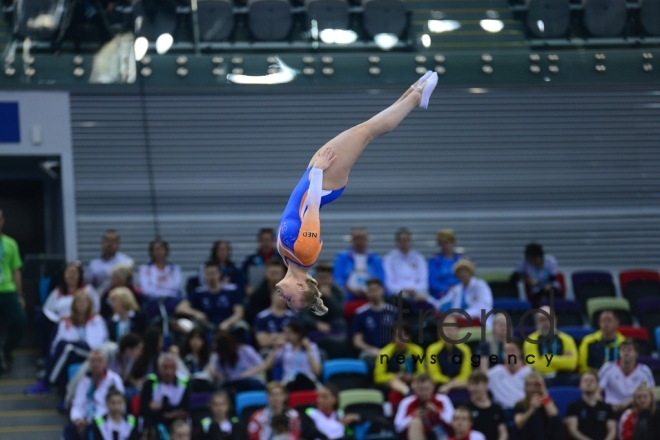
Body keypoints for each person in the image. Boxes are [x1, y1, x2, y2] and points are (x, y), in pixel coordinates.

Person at [274, 72, 439, 315]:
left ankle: (414, 91)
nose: (283, 299)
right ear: (300, 285)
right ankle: (415, 98)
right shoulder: (305, 254)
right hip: (323, 183)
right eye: (291, 300)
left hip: (316, 178)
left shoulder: (290, 260)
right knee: (367, 131)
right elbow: (311, 205)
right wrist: (318, 171)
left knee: (366, 129)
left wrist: (314, 171)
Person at [27, 290, 109, 395]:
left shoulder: (97, 320)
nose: (82, 304)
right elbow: (57, 342)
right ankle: (64, 395)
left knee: (67, 347)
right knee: (66, 352)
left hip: (93, 351)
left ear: (89, 304)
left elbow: (102, 340)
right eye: (79, 302)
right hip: (71, 351)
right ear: (74, 304)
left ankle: (47, 382)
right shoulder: (66, 322)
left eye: (84, 302)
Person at [38, 261, 98, 360]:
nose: (71, 276)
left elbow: (95, 309)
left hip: (84, 321)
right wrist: (60, 318)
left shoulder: (88, 290)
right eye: (69, 273)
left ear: (80, 275)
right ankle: (47, 358)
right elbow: (47, 311)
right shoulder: (57, 292)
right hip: (61, 322)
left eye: (74, 273)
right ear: (64, 275)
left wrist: (77, 317)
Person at [64, 350, 125, 440]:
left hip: (105, 419)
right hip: (84, 418)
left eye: (99, 361)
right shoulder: (84, 380)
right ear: (89, 364)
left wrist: (92, 421)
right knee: (70, 429)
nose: (96, 364)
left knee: (91, 429)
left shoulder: (114, 380)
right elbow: (77, 404)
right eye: (93, 361)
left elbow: (120, 404)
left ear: (105, 363)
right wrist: (78, 419)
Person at [175, 262, 245, 332]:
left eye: (213, 273)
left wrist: (228, 323)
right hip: (206, 325)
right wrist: (196, 313)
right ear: (204, 276)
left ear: (219, 274)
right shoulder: (199, 292)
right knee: (185, 324)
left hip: (228, 323)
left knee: (241, 325)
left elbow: (239, 313)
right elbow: (180, 308)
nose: (211, 277)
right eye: (208, 274)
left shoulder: (232, 290)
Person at [259, 321, 322, 391]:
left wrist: (308, 349)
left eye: (289, 333)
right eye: (285, 333)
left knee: (301, 379)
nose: (286, 335)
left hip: (308, 379)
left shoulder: (312, 347)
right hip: (289, 380)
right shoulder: (284, 347)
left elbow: (317, 371)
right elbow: (267, 365)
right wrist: (275, 348)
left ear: (298, 334)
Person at [374, 323, 426, 408]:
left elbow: (422, 372)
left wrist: (412, 377)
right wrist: (395, 376)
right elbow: (378, 376)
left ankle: (418, 402)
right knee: (393, 381)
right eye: (397, 336)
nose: (400, 339)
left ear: (409, 337)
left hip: (412, 381)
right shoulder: (385, 353)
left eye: (403, 336)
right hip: (394, 384)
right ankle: (407, 392)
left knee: (418, 382)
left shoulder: (417, 351)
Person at [0, 209, 27, 373]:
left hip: (8, 290)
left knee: (20, 322)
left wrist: (20, 295)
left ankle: (6, 351)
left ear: (3, 221)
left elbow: (16, 270)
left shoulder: (10, 243)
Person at [523, 305, 578, 384]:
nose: (546, 323)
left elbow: (571, 364)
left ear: (555, 320)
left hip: (563, 377)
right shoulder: (530, 340)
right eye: (542, 320)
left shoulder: (567, 339)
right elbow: (534, 366)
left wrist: (546, 359)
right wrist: (561, 361)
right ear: (537, 323)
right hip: (541, 378)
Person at [598, 338, 655, 412]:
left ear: (636, 353)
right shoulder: (608, 367)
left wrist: (631, 401)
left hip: (635, 408)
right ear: (619, 352)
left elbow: (652, 394)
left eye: (629, 350)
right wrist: (606, 406)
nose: (626, 353)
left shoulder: (644, 370)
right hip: (610, 408)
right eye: (623, 350)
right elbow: (596, 392)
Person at [394, 373, 455, 440]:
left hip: (442, 434)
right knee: (415, 422)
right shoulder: (406, 402)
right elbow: (397, 427)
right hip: (418, 434)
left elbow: (453, 422)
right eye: (421, 390)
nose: (424, 393)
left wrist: (437, 412)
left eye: (427, 389)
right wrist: (412, 416)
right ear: (415, 389)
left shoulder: (443, 399)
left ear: (433, 387)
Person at [140, 353, 191, 433]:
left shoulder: (184, 383)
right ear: (159, 368)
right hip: (154, 421)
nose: (168, 372)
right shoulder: (150, 382)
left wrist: (161, 406)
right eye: (165, 367)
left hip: (176, 422)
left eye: (172, 368)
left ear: (176, 368)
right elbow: (145, 408)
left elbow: (184, 409)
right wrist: (168, 413)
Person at [433, 260, 493, 326]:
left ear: (470, 272)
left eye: (465, 271)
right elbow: (442, 302)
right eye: (460, 272)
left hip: (479, 320)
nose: (463, 274)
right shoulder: (457, 289)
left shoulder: (480, 285)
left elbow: (485, 307)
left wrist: (463, 315)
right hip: (461, 322)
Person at [351, 278, 397, 365]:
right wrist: (372, 350)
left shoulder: (394, 311)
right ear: (367, 292)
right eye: (371, 290)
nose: (374, 293)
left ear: (382, 290)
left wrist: (387, 351)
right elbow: (357, 341)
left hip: (391, 350)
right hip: (370, 351)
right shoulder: (360, 313)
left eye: (376, 290)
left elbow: (399, 336)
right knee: (366, 357)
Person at [333, 227, 385, 301]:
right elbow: (337, 279)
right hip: (348, 298)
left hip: (371, 297)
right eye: (356, 238)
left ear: (367, 240)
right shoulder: (342, 258)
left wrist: (370, 291)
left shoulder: (375, 259)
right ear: (352, 240)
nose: (359, 241)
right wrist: (350, 289)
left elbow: (380, 280)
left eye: (362, 238)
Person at [426, 314, 472, 393]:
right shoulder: (432, 350)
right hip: (439, 386)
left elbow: (466, 374)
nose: (450, 332)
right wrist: (447, 381)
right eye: (447, 329)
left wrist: (450, 385)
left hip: (460, 385)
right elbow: (434, 374)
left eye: (452, 329)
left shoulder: (465, 349)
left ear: (456, 330)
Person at [565, 370, 616, 440]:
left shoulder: (606, 408)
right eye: (585, 381)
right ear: (580, 385)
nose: (588, 383)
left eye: (592, 381)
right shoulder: (574, 406)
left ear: (598, 385)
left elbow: (612, 430)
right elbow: (573, 430)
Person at [138, 239, 183, 317]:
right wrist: (164, 291)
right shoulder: (144, 269)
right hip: (153, 301)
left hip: (173, 300)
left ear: (166, 251)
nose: (158, 252)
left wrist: (158, 288)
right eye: (155, 249)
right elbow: (146, 290)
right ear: (151, 252)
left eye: (160, 249)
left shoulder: (175, 269)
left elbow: (176, 287)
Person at [512, 372, 564, 440]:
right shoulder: (520, 404)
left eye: (536, 385)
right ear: (525, 388)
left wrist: (544, 393)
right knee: (535, 417)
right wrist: (532, 409)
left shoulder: (548, 402)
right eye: (529, 385)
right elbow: (519, 424)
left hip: (547, 435)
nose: (532, 389)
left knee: (556, 419)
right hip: (528, 436)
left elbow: (554, 416)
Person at [299, 262, 346, 334]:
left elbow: (339, 313)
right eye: (321, 278)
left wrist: (329, 297)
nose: (324, 281)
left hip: (331, 321)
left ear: (331, 278)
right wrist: (317, 323)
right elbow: (304, 314)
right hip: (315, 321)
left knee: (341, 323)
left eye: (326, 278)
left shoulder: (338, 291)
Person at [487, 339, 533, 411]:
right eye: (506, 351)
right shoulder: (493, 373)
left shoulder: (530, 372)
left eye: (512, 350)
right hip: (502, 412)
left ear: (520, 352)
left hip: (524, 409)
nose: (509, 354)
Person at [383, 228, 428, 300]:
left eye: (406, 240)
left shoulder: (419, 258)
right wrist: (403, 290)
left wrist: (415, 290)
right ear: (397, 242)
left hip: (417, 294)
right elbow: (389, 283)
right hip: (397, 294)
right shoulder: (389, 259)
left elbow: (424, 282)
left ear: (410, 241)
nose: (404, 243)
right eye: (402, 241)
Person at [464, 371, 508, 440]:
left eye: (476, 384)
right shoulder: (466, 407)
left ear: (486, 384)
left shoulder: (496, 408)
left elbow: (503, 432)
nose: (472, 388)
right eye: (470, 385)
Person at [242, 228, 282, 296]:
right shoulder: (250, 261)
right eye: (263, 240)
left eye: (268, 240)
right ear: (259, 241)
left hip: (279, 293)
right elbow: (243, 278)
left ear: (273, 241)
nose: (266, 243)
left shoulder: (282, 259)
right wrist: (246, 288)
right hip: (256, 293)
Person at [246, 260, 286, 327]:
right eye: (272, 273)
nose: (274, 277)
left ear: (284, 275)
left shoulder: (291, 294)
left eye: (277, 273)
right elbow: (251, 316)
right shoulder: (257, 295)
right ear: (266, 274)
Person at [428, 229, 463, 300]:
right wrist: (446, 288)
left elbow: (466, 278)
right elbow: (432, 282)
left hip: (460, 293)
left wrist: (457, 289)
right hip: (441, 295)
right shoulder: (434, 260)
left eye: (447, 242)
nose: (445, 245)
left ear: (453, 243)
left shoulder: (461, 260)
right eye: (442, 243)